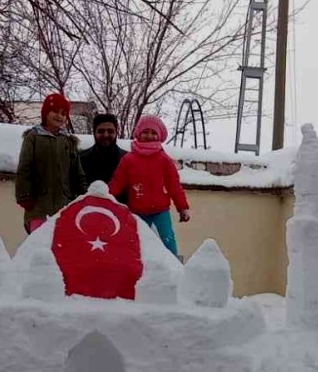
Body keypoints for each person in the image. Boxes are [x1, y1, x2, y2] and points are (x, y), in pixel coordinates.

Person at [107, 114, 191, 258]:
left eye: (153, 133)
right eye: (145, 132)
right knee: (134, 245)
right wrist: (105, 197)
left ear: (159, 136)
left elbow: (174, 185)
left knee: (168, 242)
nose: (149, 135)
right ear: (138, 134)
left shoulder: (164, 160)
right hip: (137, 212)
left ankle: (174, 270)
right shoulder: (129, 159)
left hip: (160, 212)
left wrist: (182, 207)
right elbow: (117, 182)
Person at [14, 93, 87, 234]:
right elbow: (24, 168)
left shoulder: (69, 141)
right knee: (39, 247)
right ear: (45, 112)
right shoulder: (33, 138)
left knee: (60, 248)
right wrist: (24, 195)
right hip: (38, 207)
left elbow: (77, 172)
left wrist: (84, 195)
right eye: (55, 111)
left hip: (64, 207)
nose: (59, 116)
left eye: (63, 113)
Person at [80, 113, 125, 187]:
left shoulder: (126, 159)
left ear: (116, 133)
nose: (106, 135)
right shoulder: (81, 159)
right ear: (94, 133)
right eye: (101, 131)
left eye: (110, 131)